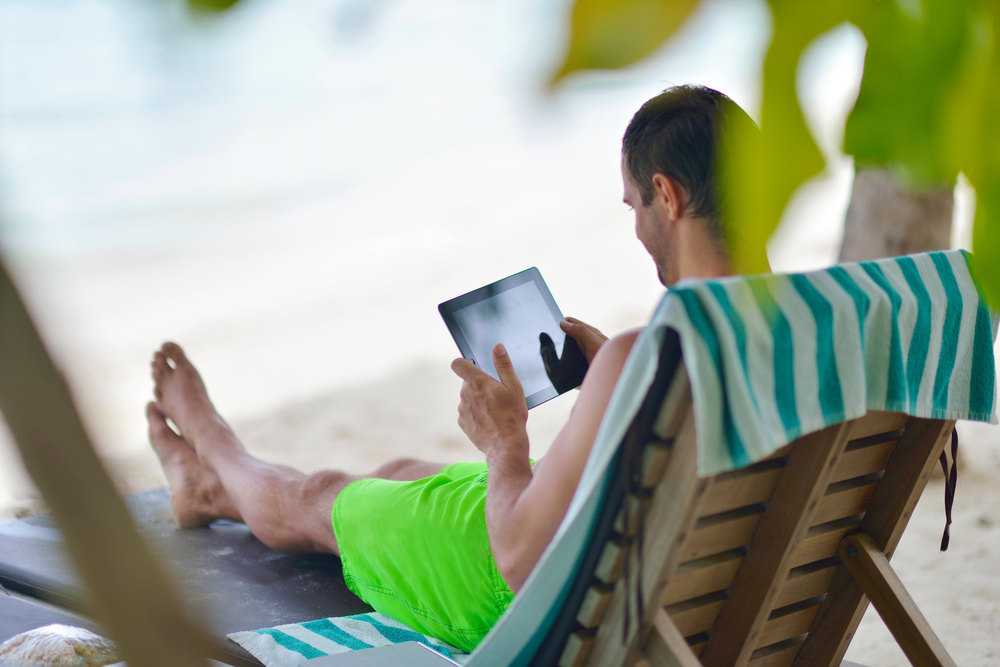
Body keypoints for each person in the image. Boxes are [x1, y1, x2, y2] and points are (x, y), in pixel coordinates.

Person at [147, 84, 758, 651]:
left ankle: (215, 446)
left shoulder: (643, 354)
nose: (637, 230)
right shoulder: (798, 339)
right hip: (691, 578)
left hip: (550, 593)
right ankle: (208, 493)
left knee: (320, 495)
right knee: (398, 471)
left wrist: (504, 443)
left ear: (669, 196)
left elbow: (521, 561)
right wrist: (615, 392)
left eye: (635, 207)